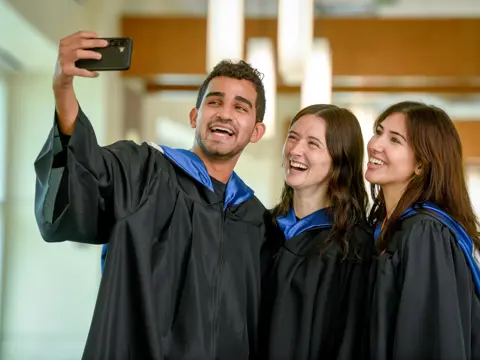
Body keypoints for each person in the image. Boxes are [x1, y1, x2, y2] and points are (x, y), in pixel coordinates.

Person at [34, 31, 275, 360]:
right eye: (214, 101)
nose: (225, 113)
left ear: (257, 131)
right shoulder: (143, 171)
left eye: (240, 107)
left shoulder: (256, 222)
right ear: (195, 116)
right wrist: (63, 89)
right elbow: (84, 171)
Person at [365, 101, 480, 360]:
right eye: (379, 131)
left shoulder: (426, 234)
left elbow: (426, 341)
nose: (375, 144)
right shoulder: (388, 228)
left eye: (394, 140)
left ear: (421, 165)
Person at [258, 104, 375, 359]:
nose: (296, 150)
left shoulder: (355, 248)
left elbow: (349, 343)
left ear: (340, 159)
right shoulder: (262, 229)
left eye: (313, 144)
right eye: (292, 137)